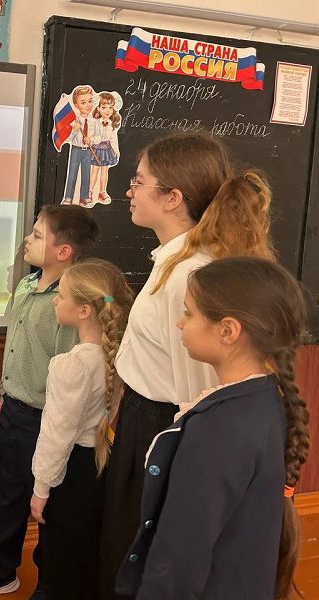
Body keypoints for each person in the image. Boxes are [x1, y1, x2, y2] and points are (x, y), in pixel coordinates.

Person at [99, 133, 275, 599]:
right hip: (141, 419)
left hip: (160, 427)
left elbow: (199, 392)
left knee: (142, 553)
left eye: (138, 182)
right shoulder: (172, 261)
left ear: (172, 198)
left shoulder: (188, 275)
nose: (129, 191)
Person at [116, 257, 309, 599]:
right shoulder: (264, 397)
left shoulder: (216, 432)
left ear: (227, 330)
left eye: (188, 313)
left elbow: (178, 563)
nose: (180, 323)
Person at [0, 205, 99, 600]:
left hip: (49, 420)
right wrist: (6, 394)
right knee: (9, 496)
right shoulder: (26, 285)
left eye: (38, 235)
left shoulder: (69, 302)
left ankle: (50, 583)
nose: (28, 239)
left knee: (49, 506)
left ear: (63, 251)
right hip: (14, 413)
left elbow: (69, 375)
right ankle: (0, 571)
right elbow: (15, 348)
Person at [30, 259, 133, 600]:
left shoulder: (71, 365)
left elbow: (56, 434)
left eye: (60, 296)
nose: (55, 301)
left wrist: (41, 488)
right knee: (88, 551)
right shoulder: (116, 357)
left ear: (84, 310)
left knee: (63, 555)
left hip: (72, 474)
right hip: (101, 465)